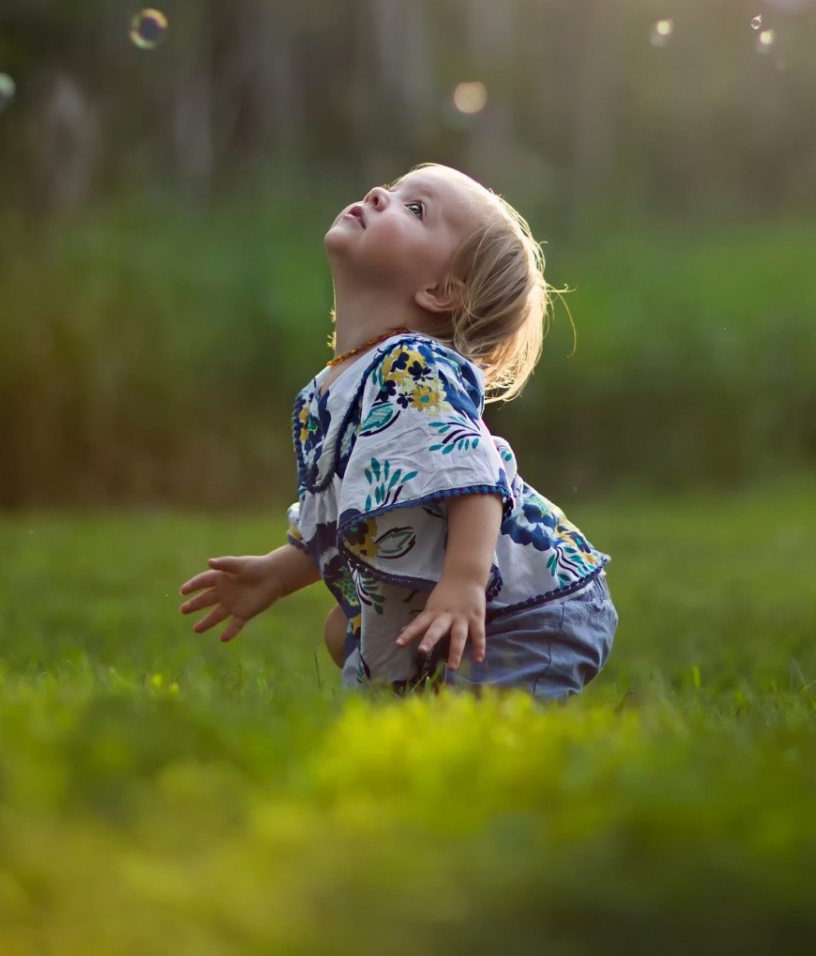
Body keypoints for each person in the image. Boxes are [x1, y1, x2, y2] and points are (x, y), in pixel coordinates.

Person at [177, 162, 616, 700]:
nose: (380, 194)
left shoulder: (412, 367)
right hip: (468, 592)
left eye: (415, 209)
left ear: (438, 291)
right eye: (395, 188)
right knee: (345, 633)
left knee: (471, 736)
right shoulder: (334, 388)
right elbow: (350, 518)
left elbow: (477, 473)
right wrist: (275, 574)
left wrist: (463, 584)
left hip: (529, 605)